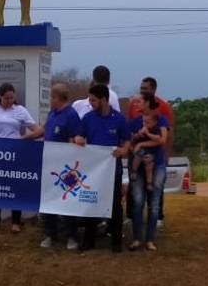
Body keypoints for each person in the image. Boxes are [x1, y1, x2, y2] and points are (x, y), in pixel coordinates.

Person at [0, 82, 43, 235]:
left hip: (15, 153)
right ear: (0, 96)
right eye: (6, 98)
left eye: (12, 98)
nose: (9, 101)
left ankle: (16, 222)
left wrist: (24, 138)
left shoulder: (20, 110)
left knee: (15, 186)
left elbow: (38, 130)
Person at [74, 84, 130, 252]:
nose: (90, 103)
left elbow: (127, 140)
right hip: (93, 170)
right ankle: (88, 241)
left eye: (93, 100)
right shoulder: (88, 118)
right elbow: (78, 136)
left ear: (104, 99)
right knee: (91, 202)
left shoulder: (119, 119)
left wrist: (123, 150)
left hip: (113, 169)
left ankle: (116, 242)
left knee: (115, 205)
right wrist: (78, 139)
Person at [39, 83, 82, 251]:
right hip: (49, 164)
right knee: (48, 199)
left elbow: (75, 138)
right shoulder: (52, 114)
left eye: (52, 97)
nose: (50, 100)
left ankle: (71, 236)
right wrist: (24, 138)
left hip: (66, 166)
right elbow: (44, 132)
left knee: (67, 200)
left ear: (58, 98)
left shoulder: (71, 115)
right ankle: (49, 234)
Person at [127, 77, 176, 226]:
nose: (142, 91)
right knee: (134, 183)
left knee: (155, 185)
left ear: (153, 89)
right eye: (141, 88)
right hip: (136, 152)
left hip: (155, 152)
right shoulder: (134, 104)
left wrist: (166, 154)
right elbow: (129, 127)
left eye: (145, 88)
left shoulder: (163, 106)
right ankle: (132, 215)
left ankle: (157, 216)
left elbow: (168, 132)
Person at [128, 95, 169, 251]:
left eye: (139, 102)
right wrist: (136, 144)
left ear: (147, 103)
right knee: (138, 201)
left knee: (154, 204)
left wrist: (143, 143)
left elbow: (162, 140)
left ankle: (150, 239)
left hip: (157, 163)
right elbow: (128, 142)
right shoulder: (134, 122)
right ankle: (137, 238)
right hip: (138, 166)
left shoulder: (161, 120)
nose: (136, 104)